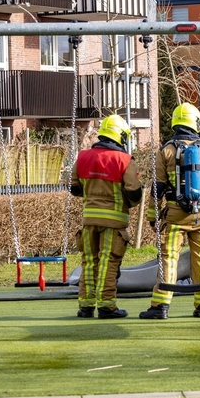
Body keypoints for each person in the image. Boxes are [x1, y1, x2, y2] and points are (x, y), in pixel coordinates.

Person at [139, 103, 200, 320]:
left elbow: (157, 188)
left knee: (169, 258)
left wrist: (153, 217)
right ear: (196, 123)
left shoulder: (166, 151)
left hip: (175, 215)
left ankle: (160, 306)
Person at [70, 114, 143, 318]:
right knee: (108, 263)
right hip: (114, 222)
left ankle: (85, 306)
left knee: (89, 262)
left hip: (88, 220)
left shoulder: (83, 157)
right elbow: (134, 193)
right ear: (120, 136)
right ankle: (106, 306)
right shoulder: (124, 160)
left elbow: (74, 188)